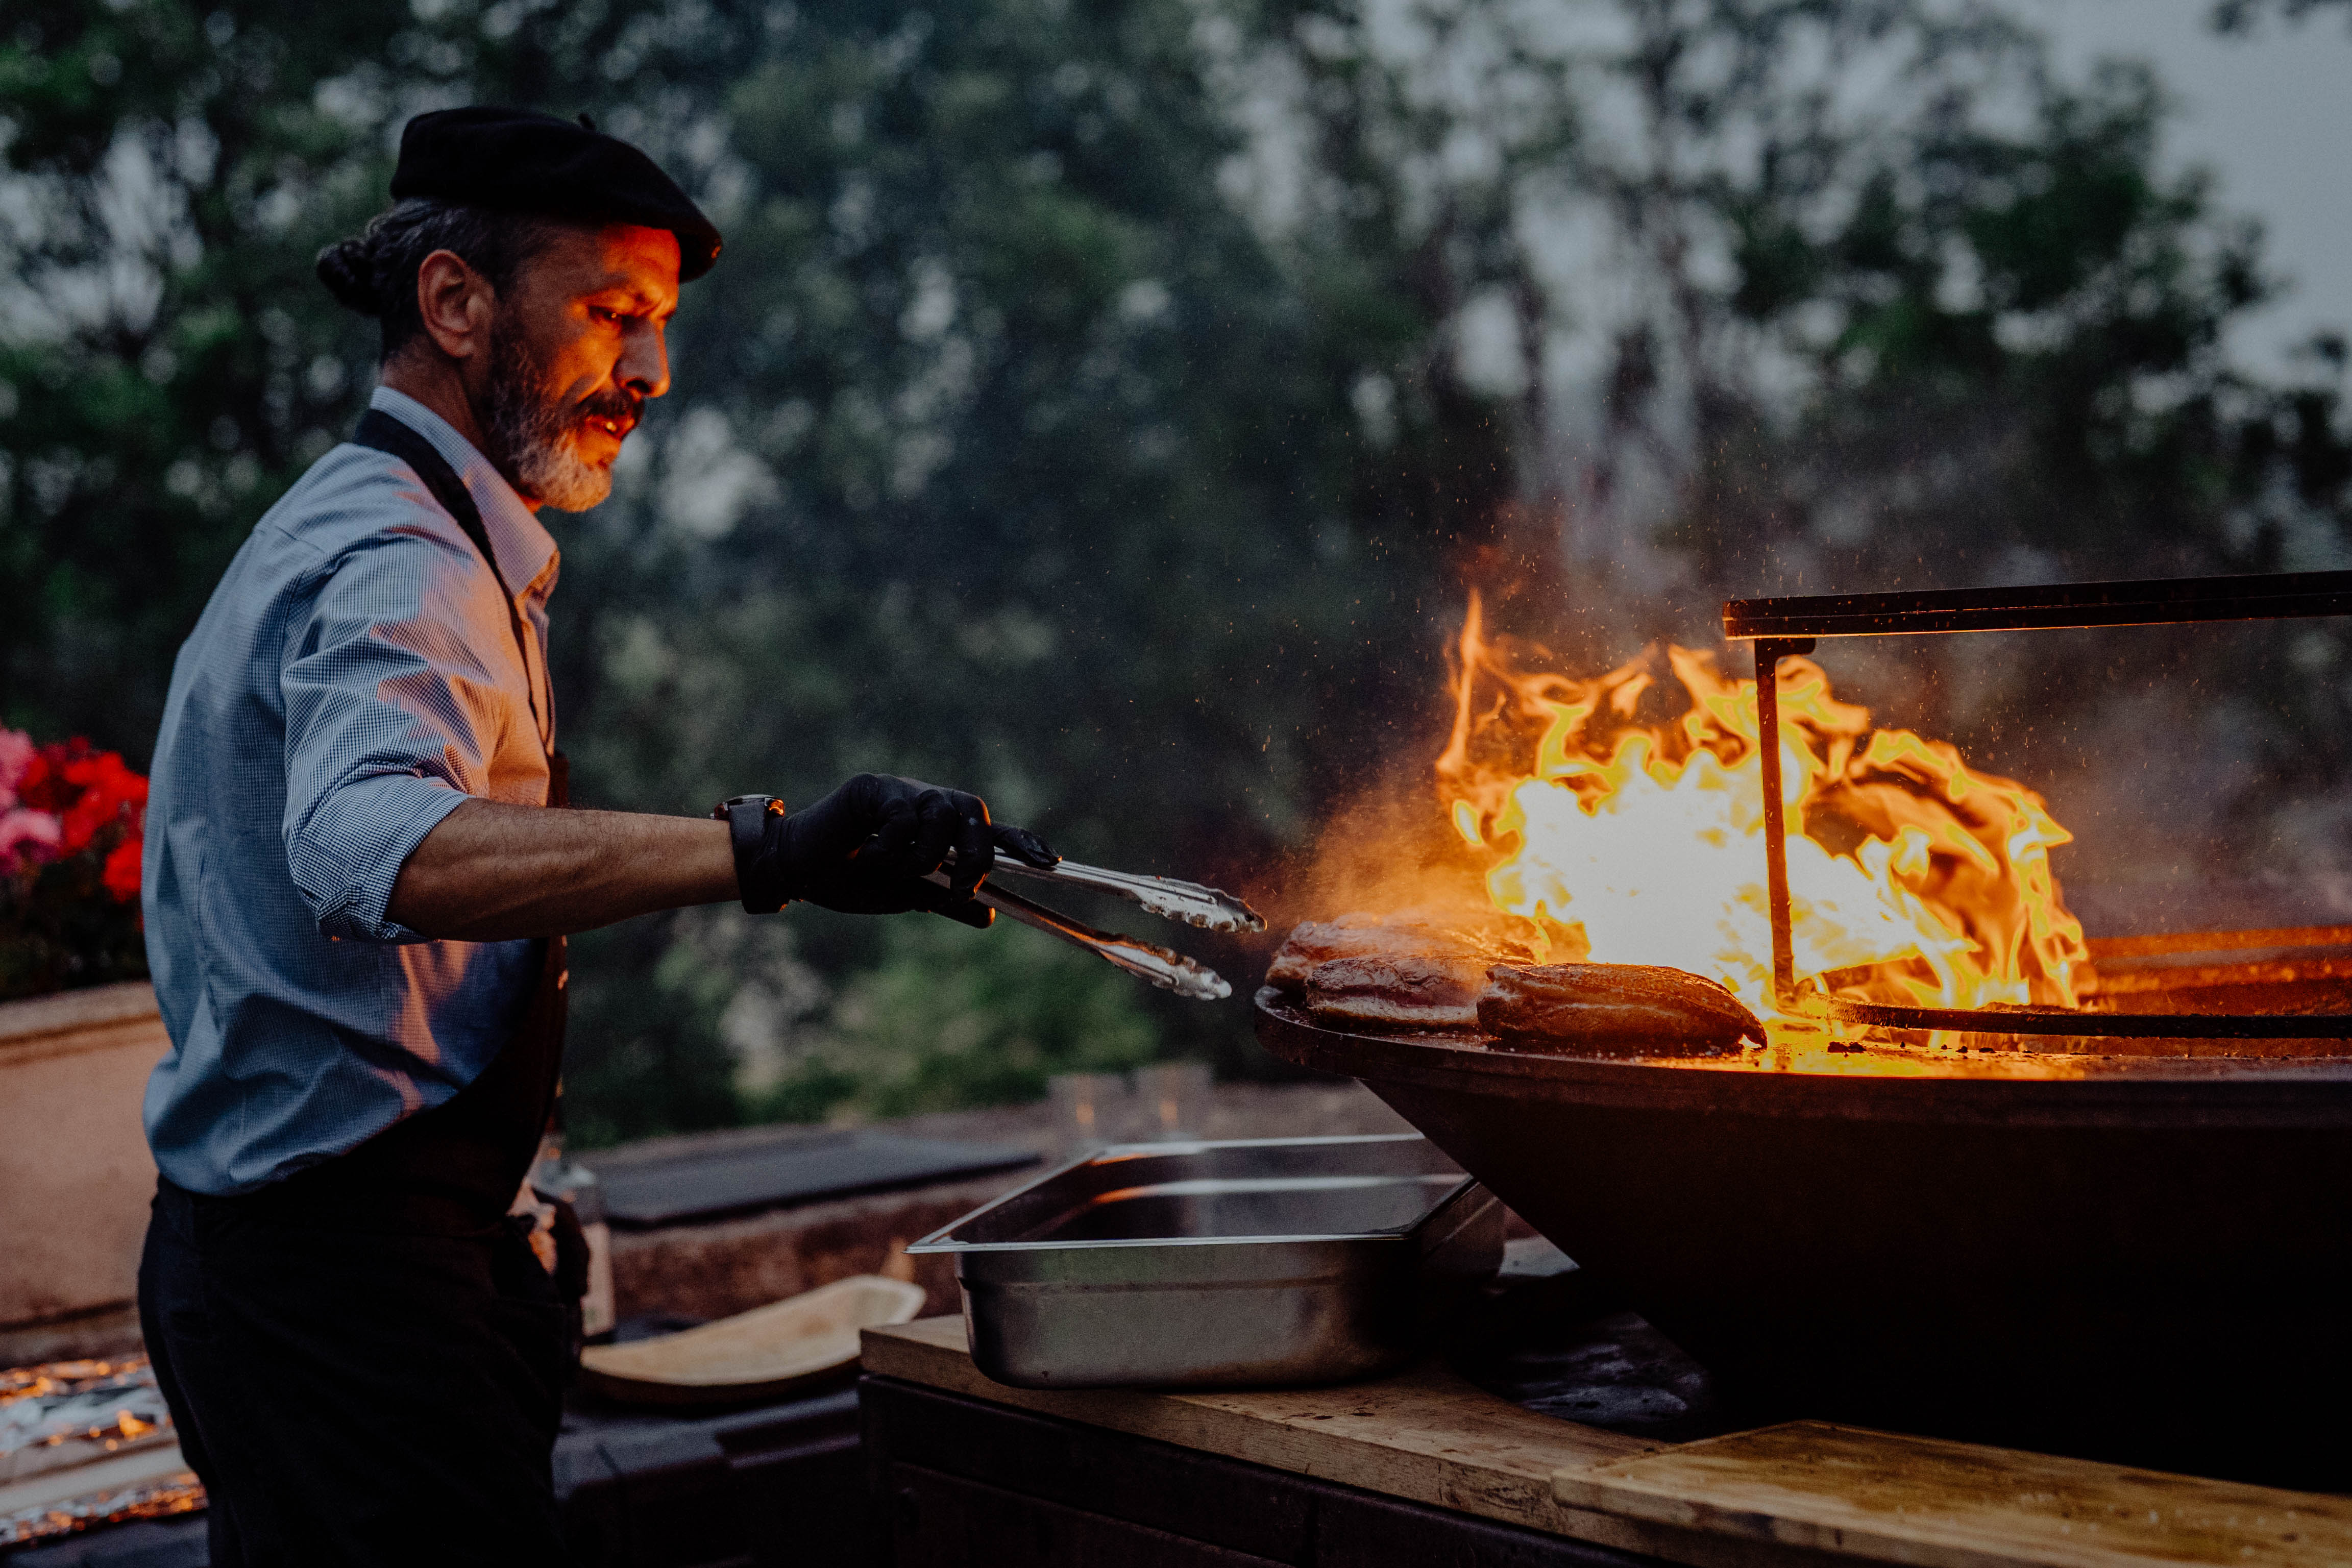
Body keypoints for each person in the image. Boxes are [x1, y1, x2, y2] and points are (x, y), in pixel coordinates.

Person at [135, 106, 1049, 1566]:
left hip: (326, 1272)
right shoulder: (403, 561)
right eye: (613, 314)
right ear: (453, 303)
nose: (652, 372)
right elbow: (381, 846)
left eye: (660, 324)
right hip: (336, 1296)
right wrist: (769, 851)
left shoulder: (393, 525)